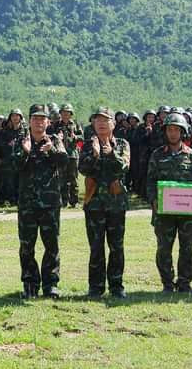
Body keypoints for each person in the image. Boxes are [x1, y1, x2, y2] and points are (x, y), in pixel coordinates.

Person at [146, 113, 192, 293]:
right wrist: (153, 201)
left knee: (187, 248)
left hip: (187, 213)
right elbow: (150, 181)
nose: (172, 133)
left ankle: (184, 282)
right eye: (169, 130)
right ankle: (167, 283)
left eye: (176, 130)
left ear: (183, 132)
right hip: (163, 213)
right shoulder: (157, 155)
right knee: (164, 249)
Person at [13, 104, 67, 299]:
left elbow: (64, 162)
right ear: (29, 121)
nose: (38, 122)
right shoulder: (21, 141)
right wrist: (25, 151)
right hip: (27, 203)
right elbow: (14, 166)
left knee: (51, 245)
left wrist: (52, 150)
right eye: (35, 118)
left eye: (42, 118)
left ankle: (51, 284)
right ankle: (30, 283)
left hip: (50, 203)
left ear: (48, 122)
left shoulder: (54, 140)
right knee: (27, 245)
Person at [77, 107, 130, 298]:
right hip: (94, 204)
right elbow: (82, 168)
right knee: (96, 247)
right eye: (97, 120)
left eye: (105, 120)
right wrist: (96, 155)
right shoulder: (88, 145)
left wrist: (109, 153)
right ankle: (96, 287)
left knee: (117, 247)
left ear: (113, 124)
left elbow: (123, 166)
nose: (100, 123)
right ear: (93, 124)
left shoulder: (122, 144)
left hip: (116, 203)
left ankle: (116, 286)